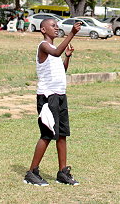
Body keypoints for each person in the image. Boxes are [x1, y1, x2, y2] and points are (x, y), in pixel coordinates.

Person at [24, 18, 82, 187]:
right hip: (48, 97)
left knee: (62, 134)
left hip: (60, 95)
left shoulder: (56, 49)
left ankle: (62, 172)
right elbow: (55, 53)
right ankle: (32, 172)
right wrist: (72, 33)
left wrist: (67, 57)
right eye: (53, 26)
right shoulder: (44, 46)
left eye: (57, 26)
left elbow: (61, 70)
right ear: (43, 30)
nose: (56, 28)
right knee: (47, 134)